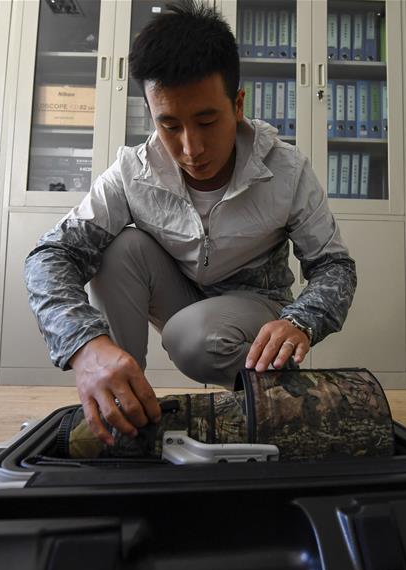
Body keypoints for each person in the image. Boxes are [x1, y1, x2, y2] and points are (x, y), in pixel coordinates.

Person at [25, 0, 356, 447]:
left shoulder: (287, 170)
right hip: (179, 300)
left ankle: (279, 397)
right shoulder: (133, 172)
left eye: (206, 121)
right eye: (169, 125)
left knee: (193, 337)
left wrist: (302, 321)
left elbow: (335, 266)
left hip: (256, 309)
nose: (191, 148)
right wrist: (86, 346)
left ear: (237, 104)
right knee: (118, 249)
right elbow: (50, 255)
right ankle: (124, 404)